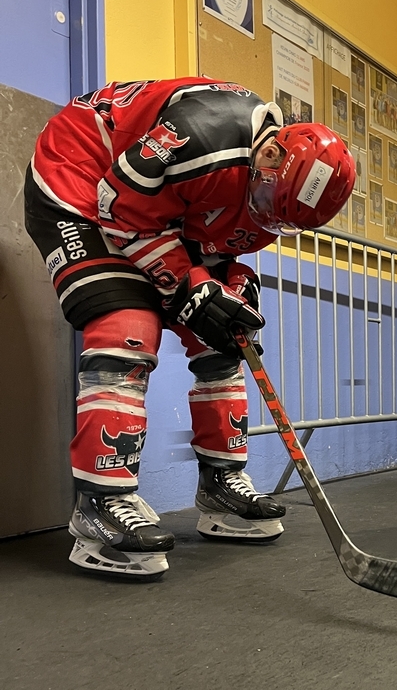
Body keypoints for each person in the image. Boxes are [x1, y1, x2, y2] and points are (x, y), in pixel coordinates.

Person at [24, 77, 356, 578]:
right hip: (82, 179)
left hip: (157, 208)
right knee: (125, 327)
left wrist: (230, 287)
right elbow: (120, 207)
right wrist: (187, 286)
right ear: (267, 157)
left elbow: (219, 243)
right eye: (268, 204)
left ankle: (220, 484)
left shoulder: (270, 189)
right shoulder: (203, 135)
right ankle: (98, 505)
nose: (268, 221)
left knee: (224, 341)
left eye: (280, 221)